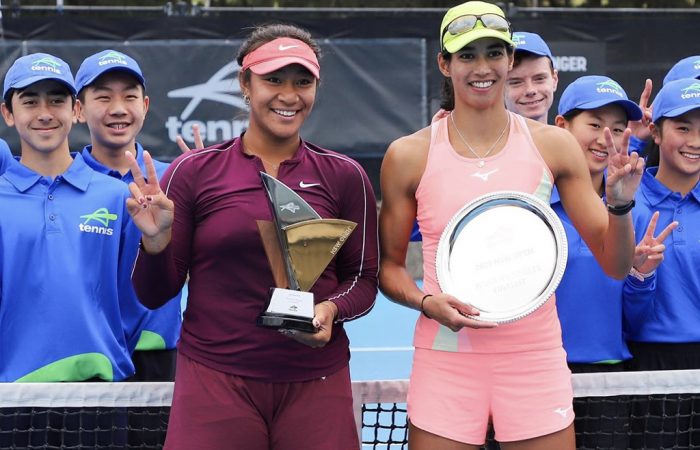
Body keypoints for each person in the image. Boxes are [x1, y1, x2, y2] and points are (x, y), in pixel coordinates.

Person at [378, 2, 644, 449]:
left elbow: (616, 265)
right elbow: (389, 270)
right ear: (445, 63)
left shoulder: (554, 145)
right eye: (467, 55)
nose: (482, 67)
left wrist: (619, 206)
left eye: (493, 53)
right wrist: (427, 302)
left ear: (507, 59)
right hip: (446, 359)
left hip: (533, 357)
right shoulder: (408, 155)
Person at [127, 24, 379, 449]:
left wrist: (331, 311)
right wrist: (156, 243)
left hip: (316, 380)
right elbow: (154, 294)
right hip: (214, 380)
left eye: (303, 82)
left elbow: (364, 280)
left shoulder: (345, 176)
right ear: (245, 83)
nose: (289, 95)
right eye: (273, 79)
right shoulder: (194, 173)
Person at [553, 75, 677, 449]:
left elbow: (635, 319)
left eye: (617, 128)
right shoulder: (531, 204)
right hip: (537, 375)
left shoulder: (634, 214)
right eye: (593, 124)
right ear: (561, 126)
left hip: (609, 380)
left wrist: (642, 275)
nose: (605, 137)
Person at [0, 52, 136, 383]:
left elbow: (132, 300)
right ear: (8, 113)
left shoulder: (116, 196)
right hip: (12, 393)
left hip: (103, 391)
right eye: (30, 102)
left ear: (75, 110)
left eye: (56, 101)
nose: (44, 114)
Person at [75, 49, 182, 381]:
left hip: (160, 355)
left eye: (130, 97)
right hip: (89, 356)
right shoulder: (63, 183)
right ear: (78, 109)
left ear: (145, 106)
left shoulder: (177, 178)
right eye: (103, 97)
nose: (118, 109)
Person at [622, 76, 700, 449]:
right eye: (683, 128)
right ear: (656, 131)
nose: (695, 142)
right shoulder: (625, 202)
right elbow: (624, 315)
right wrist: (640, 275)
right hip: (649, 370)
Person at [505, 31, 558, 124]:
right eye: (516, 82)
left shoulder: (567, 138)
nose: (530, 90)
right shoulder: (482, 138)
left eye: (539, 79)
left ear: (554, 80)